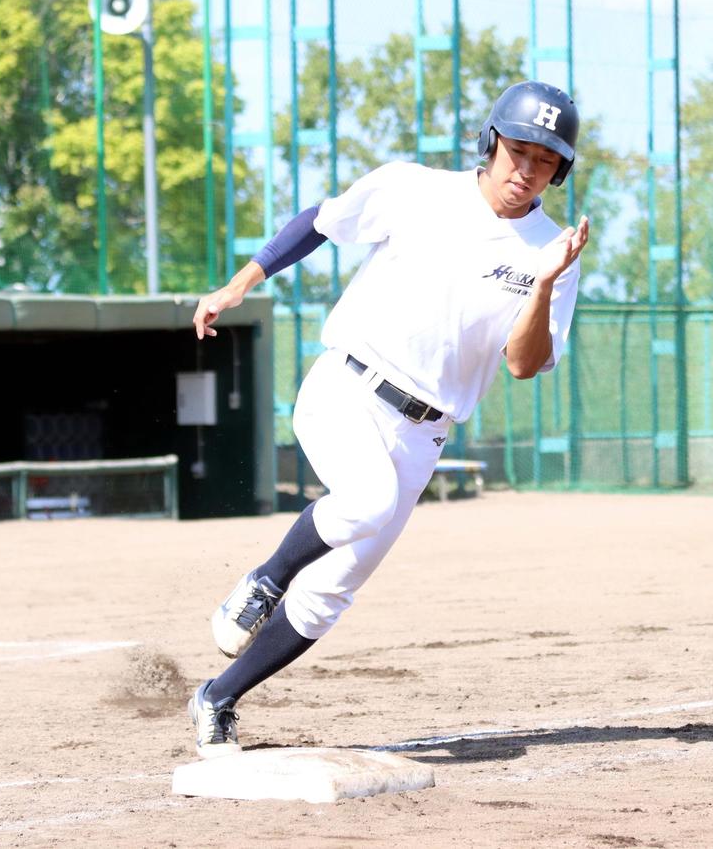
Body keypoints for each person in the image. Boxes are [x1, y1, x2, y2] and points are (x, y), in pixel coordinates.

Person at [185, 80, 590, 757]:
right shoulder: (415, 189)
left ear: (560, 170)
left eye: (545, 161)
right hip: (348, 385)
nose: (526, 170)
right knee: (364, 499)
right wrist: (241, 282)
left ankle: (217, 697)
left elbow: (524, 365)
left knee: (332, 592)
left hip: (424, 434)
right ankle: (264, 578)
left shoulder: (551, 252)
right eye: (517, 150)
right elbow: (321, 219)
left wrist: (545, 281)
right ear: (490, 143)